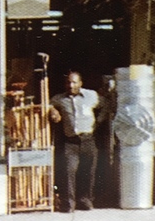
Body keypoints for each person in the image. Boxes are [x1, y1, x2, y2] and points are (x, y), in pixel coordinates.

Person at [49, 71, 106, 213]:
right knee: (69, 171)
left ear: (81, 83)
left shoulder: (91, 96)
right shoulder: (59, 99)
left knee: (88, 171)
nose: (71, 85)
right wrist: (52, 111)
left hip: (88, 140)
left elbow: (107, 104)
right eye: (68, 82)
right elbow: (48, 104)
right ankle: (69, 203)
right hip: (71, 142)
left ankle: (85, 200)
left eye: (74, 82)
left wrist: (99, 121)